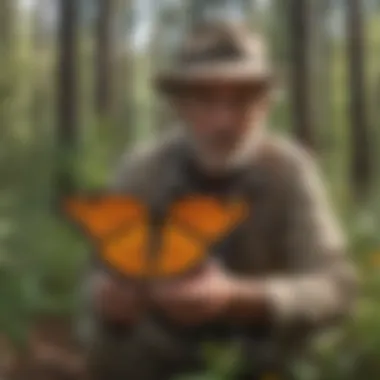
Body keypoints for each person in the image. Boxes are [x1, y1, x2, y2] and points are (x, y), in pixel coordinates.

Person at [81, 21, 357, 380]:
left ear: (266, 105)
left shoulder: (291, 170)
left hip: (265, 355)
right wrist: (110, 299)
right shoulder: (142, 170)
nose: (223, 121)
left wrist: (240, 298)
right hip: (163, 354)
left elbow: (337, 286)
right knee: (104, 339)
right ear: (180, 106)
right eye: (205, 100)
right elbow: (97, 275)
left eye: (241, 99)